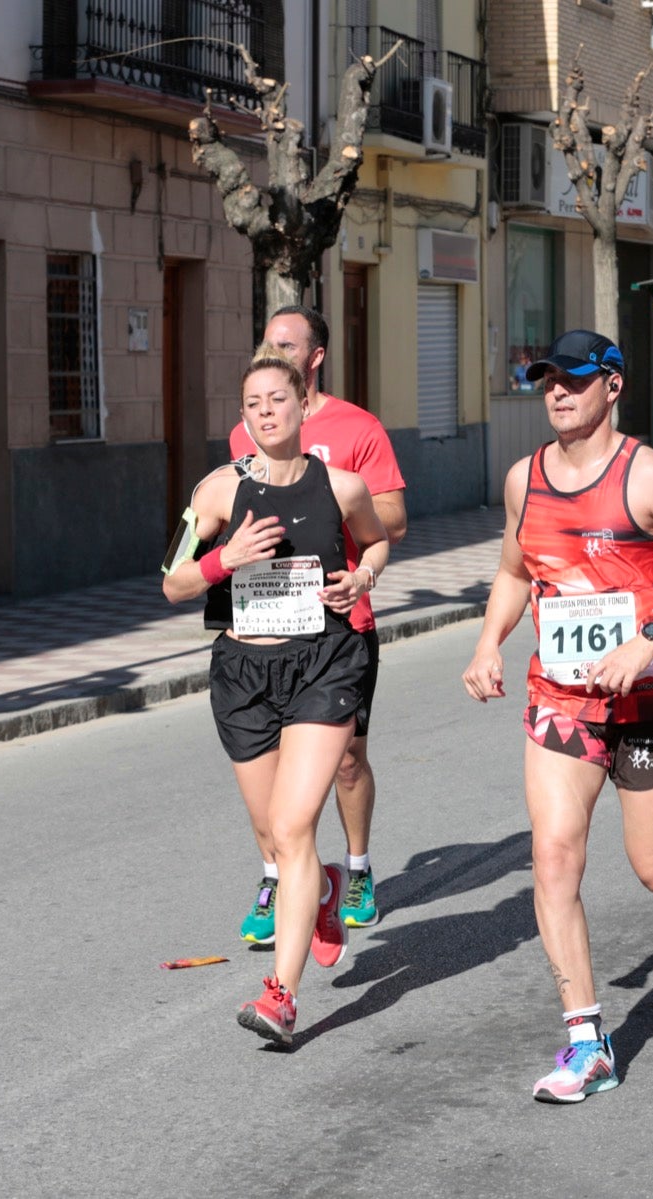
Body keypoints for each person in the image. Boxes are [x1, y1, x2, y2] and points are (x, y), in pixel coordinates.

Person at [462, 330, 653, 1103]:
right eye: (546, 378)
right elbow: (515, 570)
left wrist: (647, 638)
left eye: (574, 379)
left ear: (612, 386)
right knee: (553, 856)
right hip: (562, 696)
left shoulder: (646, 476)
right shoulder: (524, 478)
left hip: (650, 695)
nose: (557, 391)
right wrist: (489, 640)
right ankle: (588, 1040)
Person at [163, 350, 391, 1044]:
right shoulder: (216, 492)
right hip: (243, 673)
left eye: (277, 400)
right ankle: (319, 889)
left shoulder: (343, 487)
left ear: (303, 407)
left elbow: (378, 544)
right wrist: (222, 560)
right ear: (244, 417)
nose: (265, 412)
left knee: (293, 828)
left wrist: (362, 579)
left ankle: (282, 996)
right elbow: (171, 581)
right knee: (272, 833)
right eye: (253, 403)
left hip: (325, 662)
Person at [227, 306, 407, 940]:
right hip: (266, 629)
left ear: (314, 360)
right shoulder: (244, 433)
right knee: (273, 778)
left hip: (340, 624)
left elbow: (389, 522)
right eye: (266, 341)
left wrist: (358, 569)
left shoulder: (358, 428)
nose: (271, 350)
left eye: (285, 344)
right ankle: (281, 876)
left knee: (348, 762)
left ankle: (354, 869)